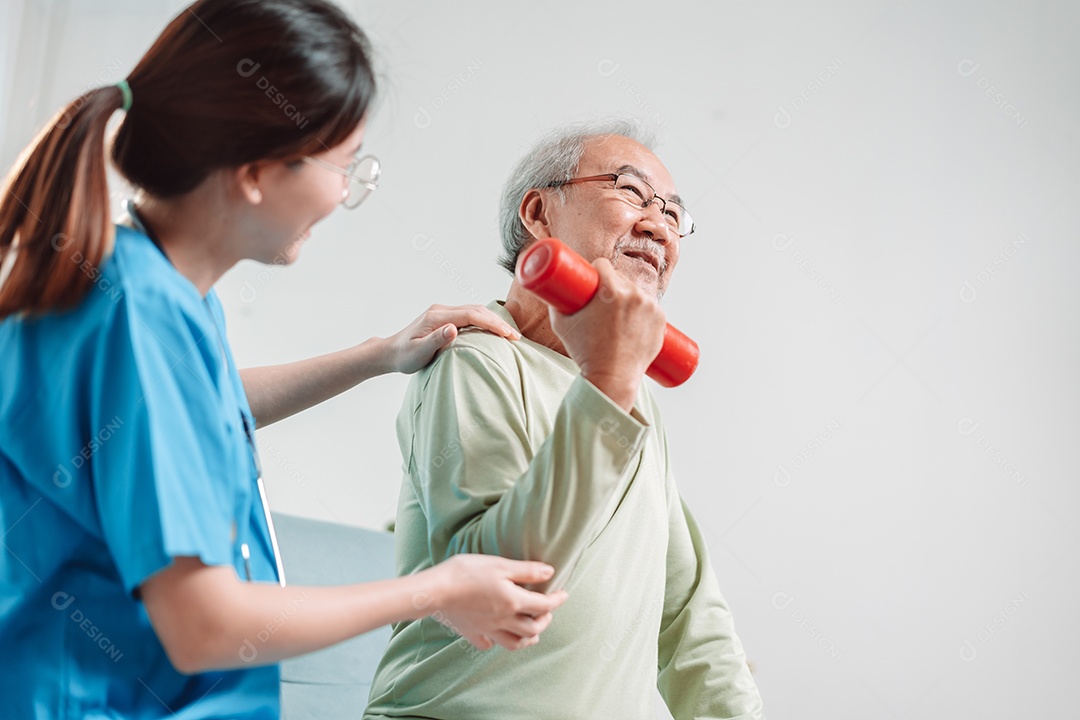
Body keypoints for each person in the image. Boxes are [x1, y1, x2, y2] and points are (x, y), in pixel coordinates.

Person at [0, 1, 567, 717]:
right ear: (258, 171)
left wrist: (379, 354)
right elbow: (202, 627)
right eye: (345, 166)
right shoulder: (138, 317)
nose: (344, 193)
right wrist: (437, 591)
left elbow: (195, 412)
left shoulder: (151, 284)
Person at [364, 121, 765, 720]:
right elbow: (504, 588)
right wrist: (611, 381)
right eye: (631, 192)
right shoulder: (476, 359)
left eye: (673, 213)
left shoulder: (630, 395)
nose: (658, 225)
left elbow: (688, 617)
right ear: (538, 213)